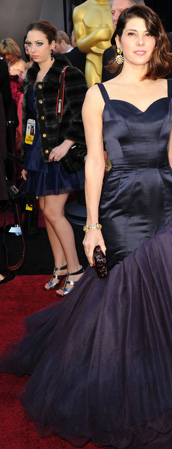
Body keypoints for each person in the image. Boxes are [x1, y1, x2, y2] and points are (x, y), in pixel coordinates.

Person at [0, 5, 172, 449]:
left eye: (148, 34)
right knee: (123, 291)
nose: (141, 42)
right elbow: (94, 162)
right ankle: (126, 377)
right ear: (119, 41)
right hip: (120, 204)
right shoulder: (98, 95)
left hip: (168, 201)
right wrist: (91, 226)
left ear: (157, 40)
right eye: (132, 34)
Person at [20, 21, 88, 295]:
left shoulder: (68, 74)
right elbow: (29, 122)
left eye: (39, 43)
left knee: (53, 211)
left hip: (60, 152)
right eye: (28, 44)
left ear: (52, 44)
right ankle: (59, 266)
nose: (32, 49)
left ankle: (76, 270)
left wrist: (67, 143)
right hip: (38, 152)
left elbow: (83, 114)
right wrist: (26, 158)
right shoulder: (31, 76)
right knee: (45, 212)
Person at [73, 0, 114, 86]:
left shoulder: (117, 7)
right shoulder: (80, 10)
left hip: (115, 60)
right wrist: (96, 35)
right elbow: (80, 45)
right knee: (95, 92)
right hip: (94, 61)